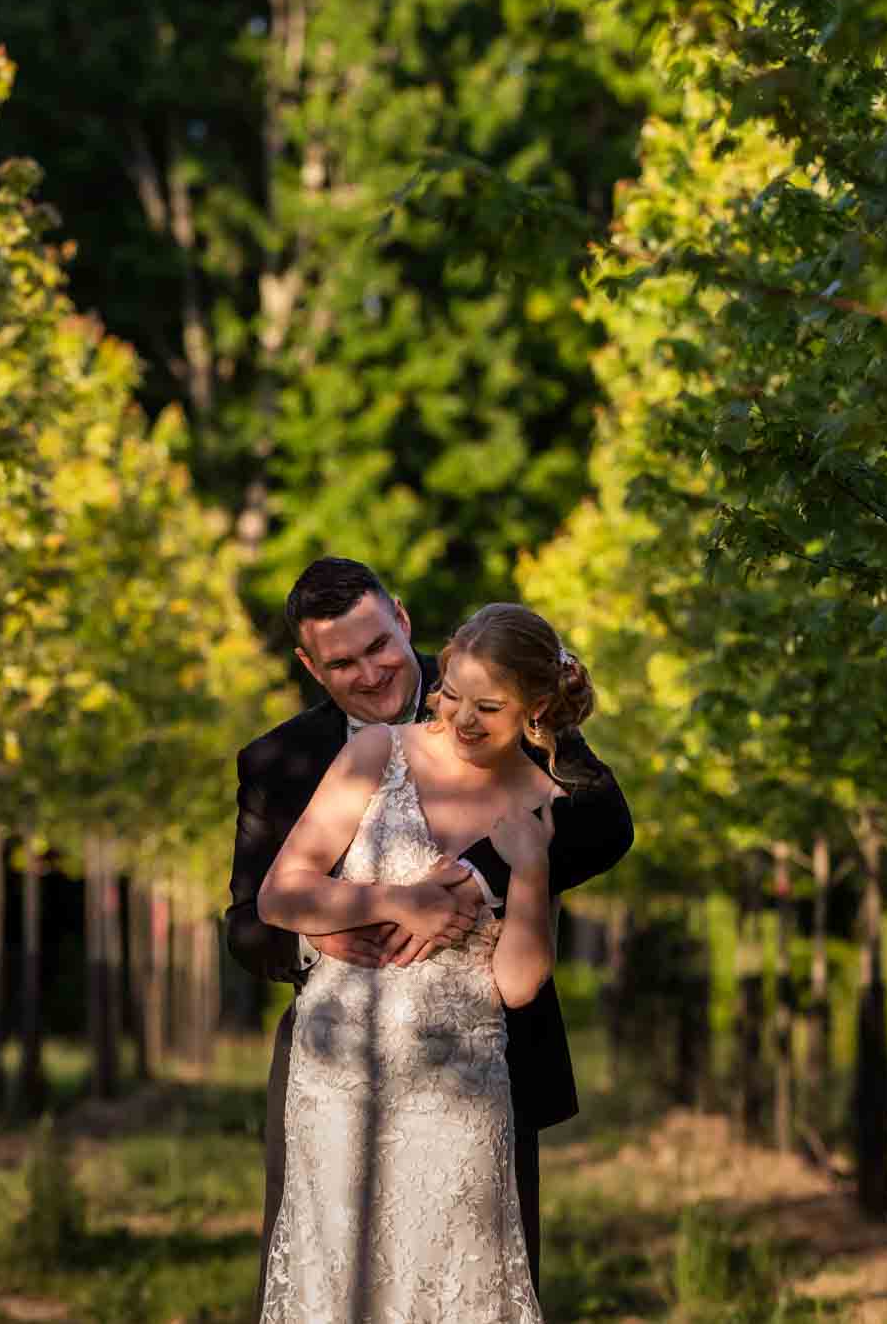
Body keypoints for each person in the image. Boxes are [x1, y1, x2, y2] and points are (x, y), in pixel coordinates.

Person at [226, 558, 633, 1319]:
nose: (371, 672)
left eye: (379, 646)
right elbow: (254, 915)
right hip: (340, 1057)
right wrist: (358, 921)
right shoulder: (283, 759)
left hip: (478, 1066)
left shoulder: (507, 694)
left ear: (405, 623)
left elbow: (607, 822)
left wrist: (490, 874)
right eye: (340, 662)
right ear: (310, 665)